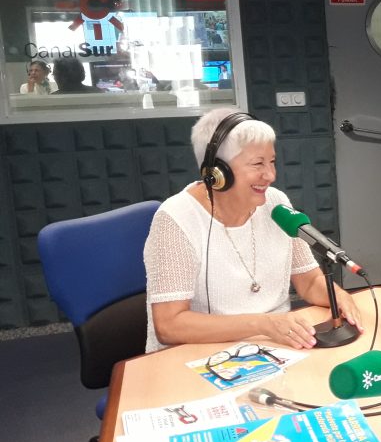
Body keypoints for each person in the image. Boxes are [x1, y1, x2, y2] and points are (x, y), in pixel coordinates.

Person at [143, 108, 362, 353]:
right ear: (217, 173)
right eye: (258, 163)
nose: (271, 175)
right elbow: (169, 326)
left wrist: (339, 297)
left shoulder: (275, 203)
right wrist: (262, 324)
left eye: (272, 161)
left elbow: (309, 281)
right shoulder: (176, 219)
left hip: (274, 346)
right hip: (197, 354)